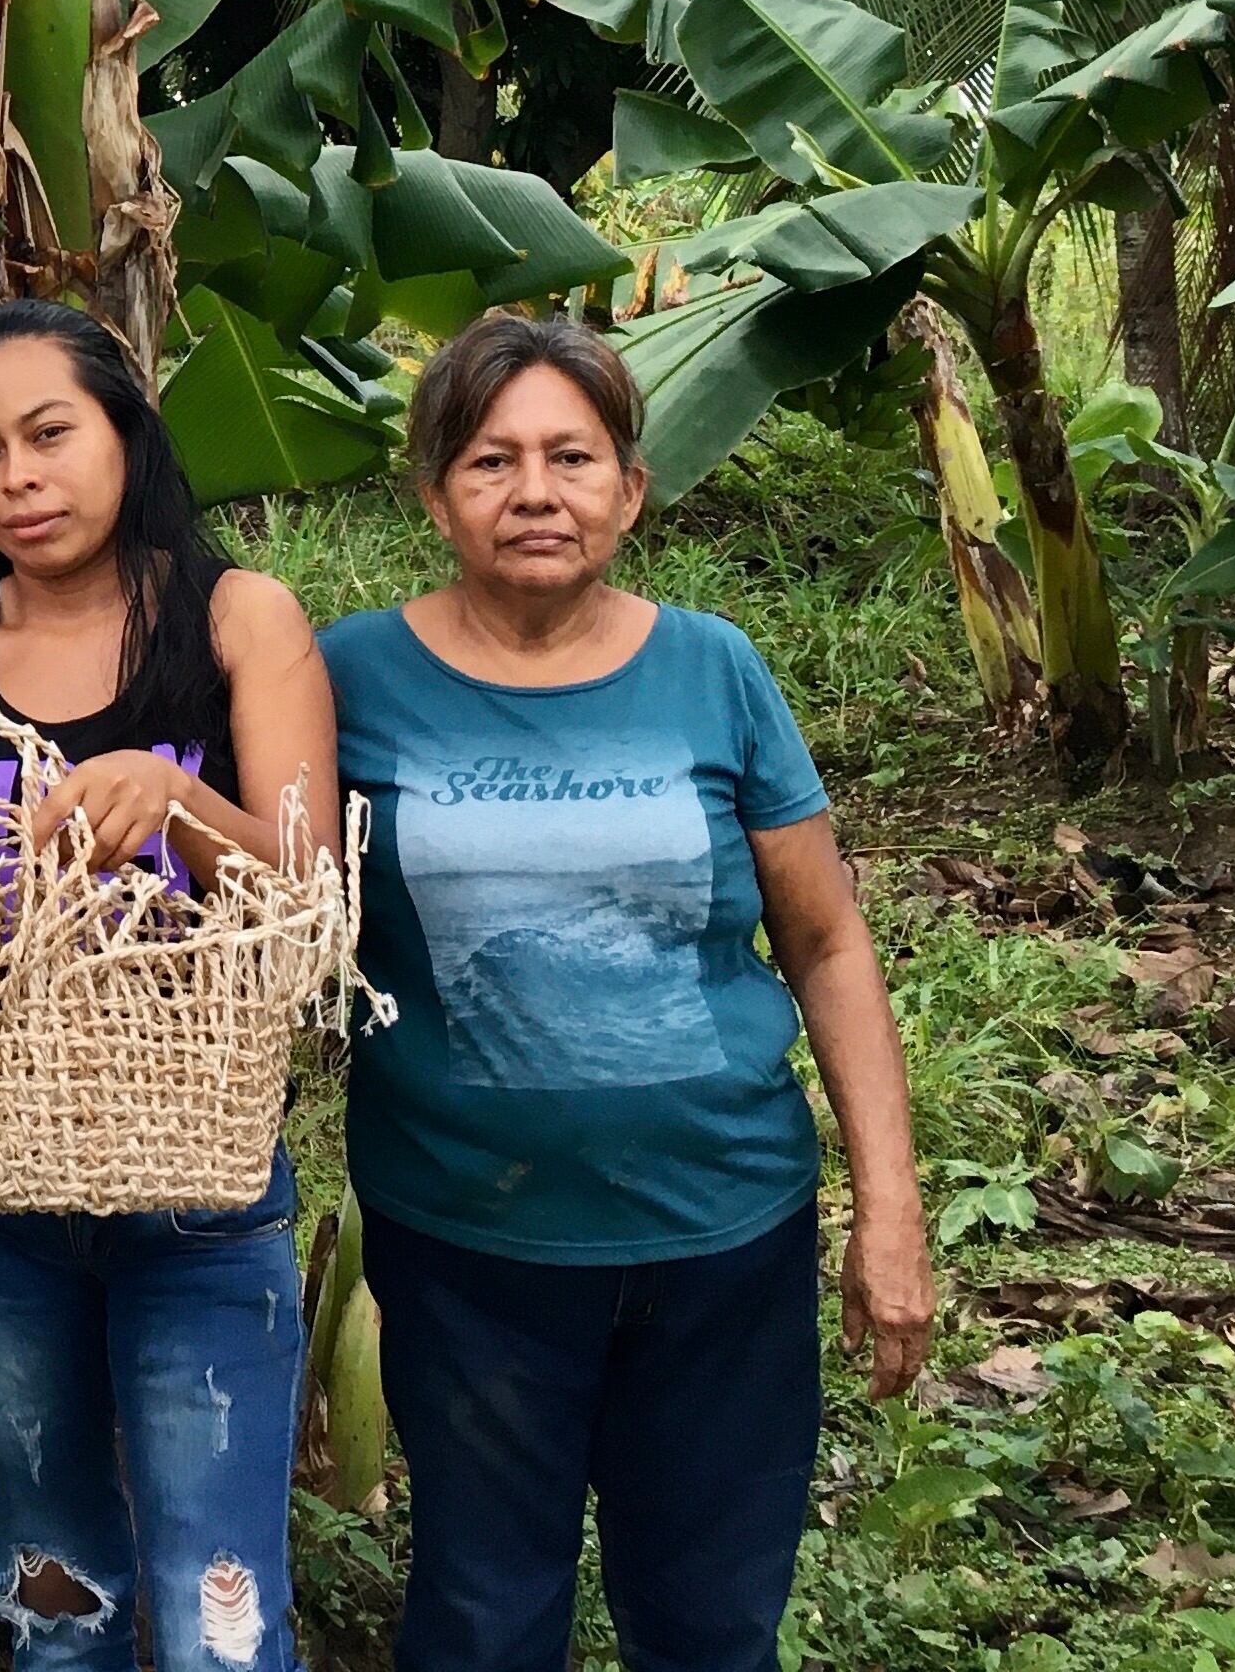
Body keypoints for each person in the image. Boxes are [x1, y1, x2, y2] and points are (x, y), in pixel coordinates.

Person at [323, 311, 932, 1672]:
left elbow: (827, 942)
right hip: (468, 1249)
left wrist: (890, 1210)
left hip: (722, 1236)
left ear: (631, 489)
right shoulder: (349, 673)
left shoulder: (713, 668)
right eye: (491, 461)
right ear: (435, 497)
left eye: (572, 457)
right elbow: (259, 878)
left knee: (711, 1625)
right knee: (482, 1621)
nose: (535, 492)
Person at [0, 298, 342, 1672]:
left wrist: (179, 803)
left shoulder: (237, 620)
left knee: (217, 1615)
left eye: (51, 434)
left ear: (127, 429)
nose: (19, 478)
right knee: (55, 1591)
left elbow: (316, 899)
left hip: (198, 1189)